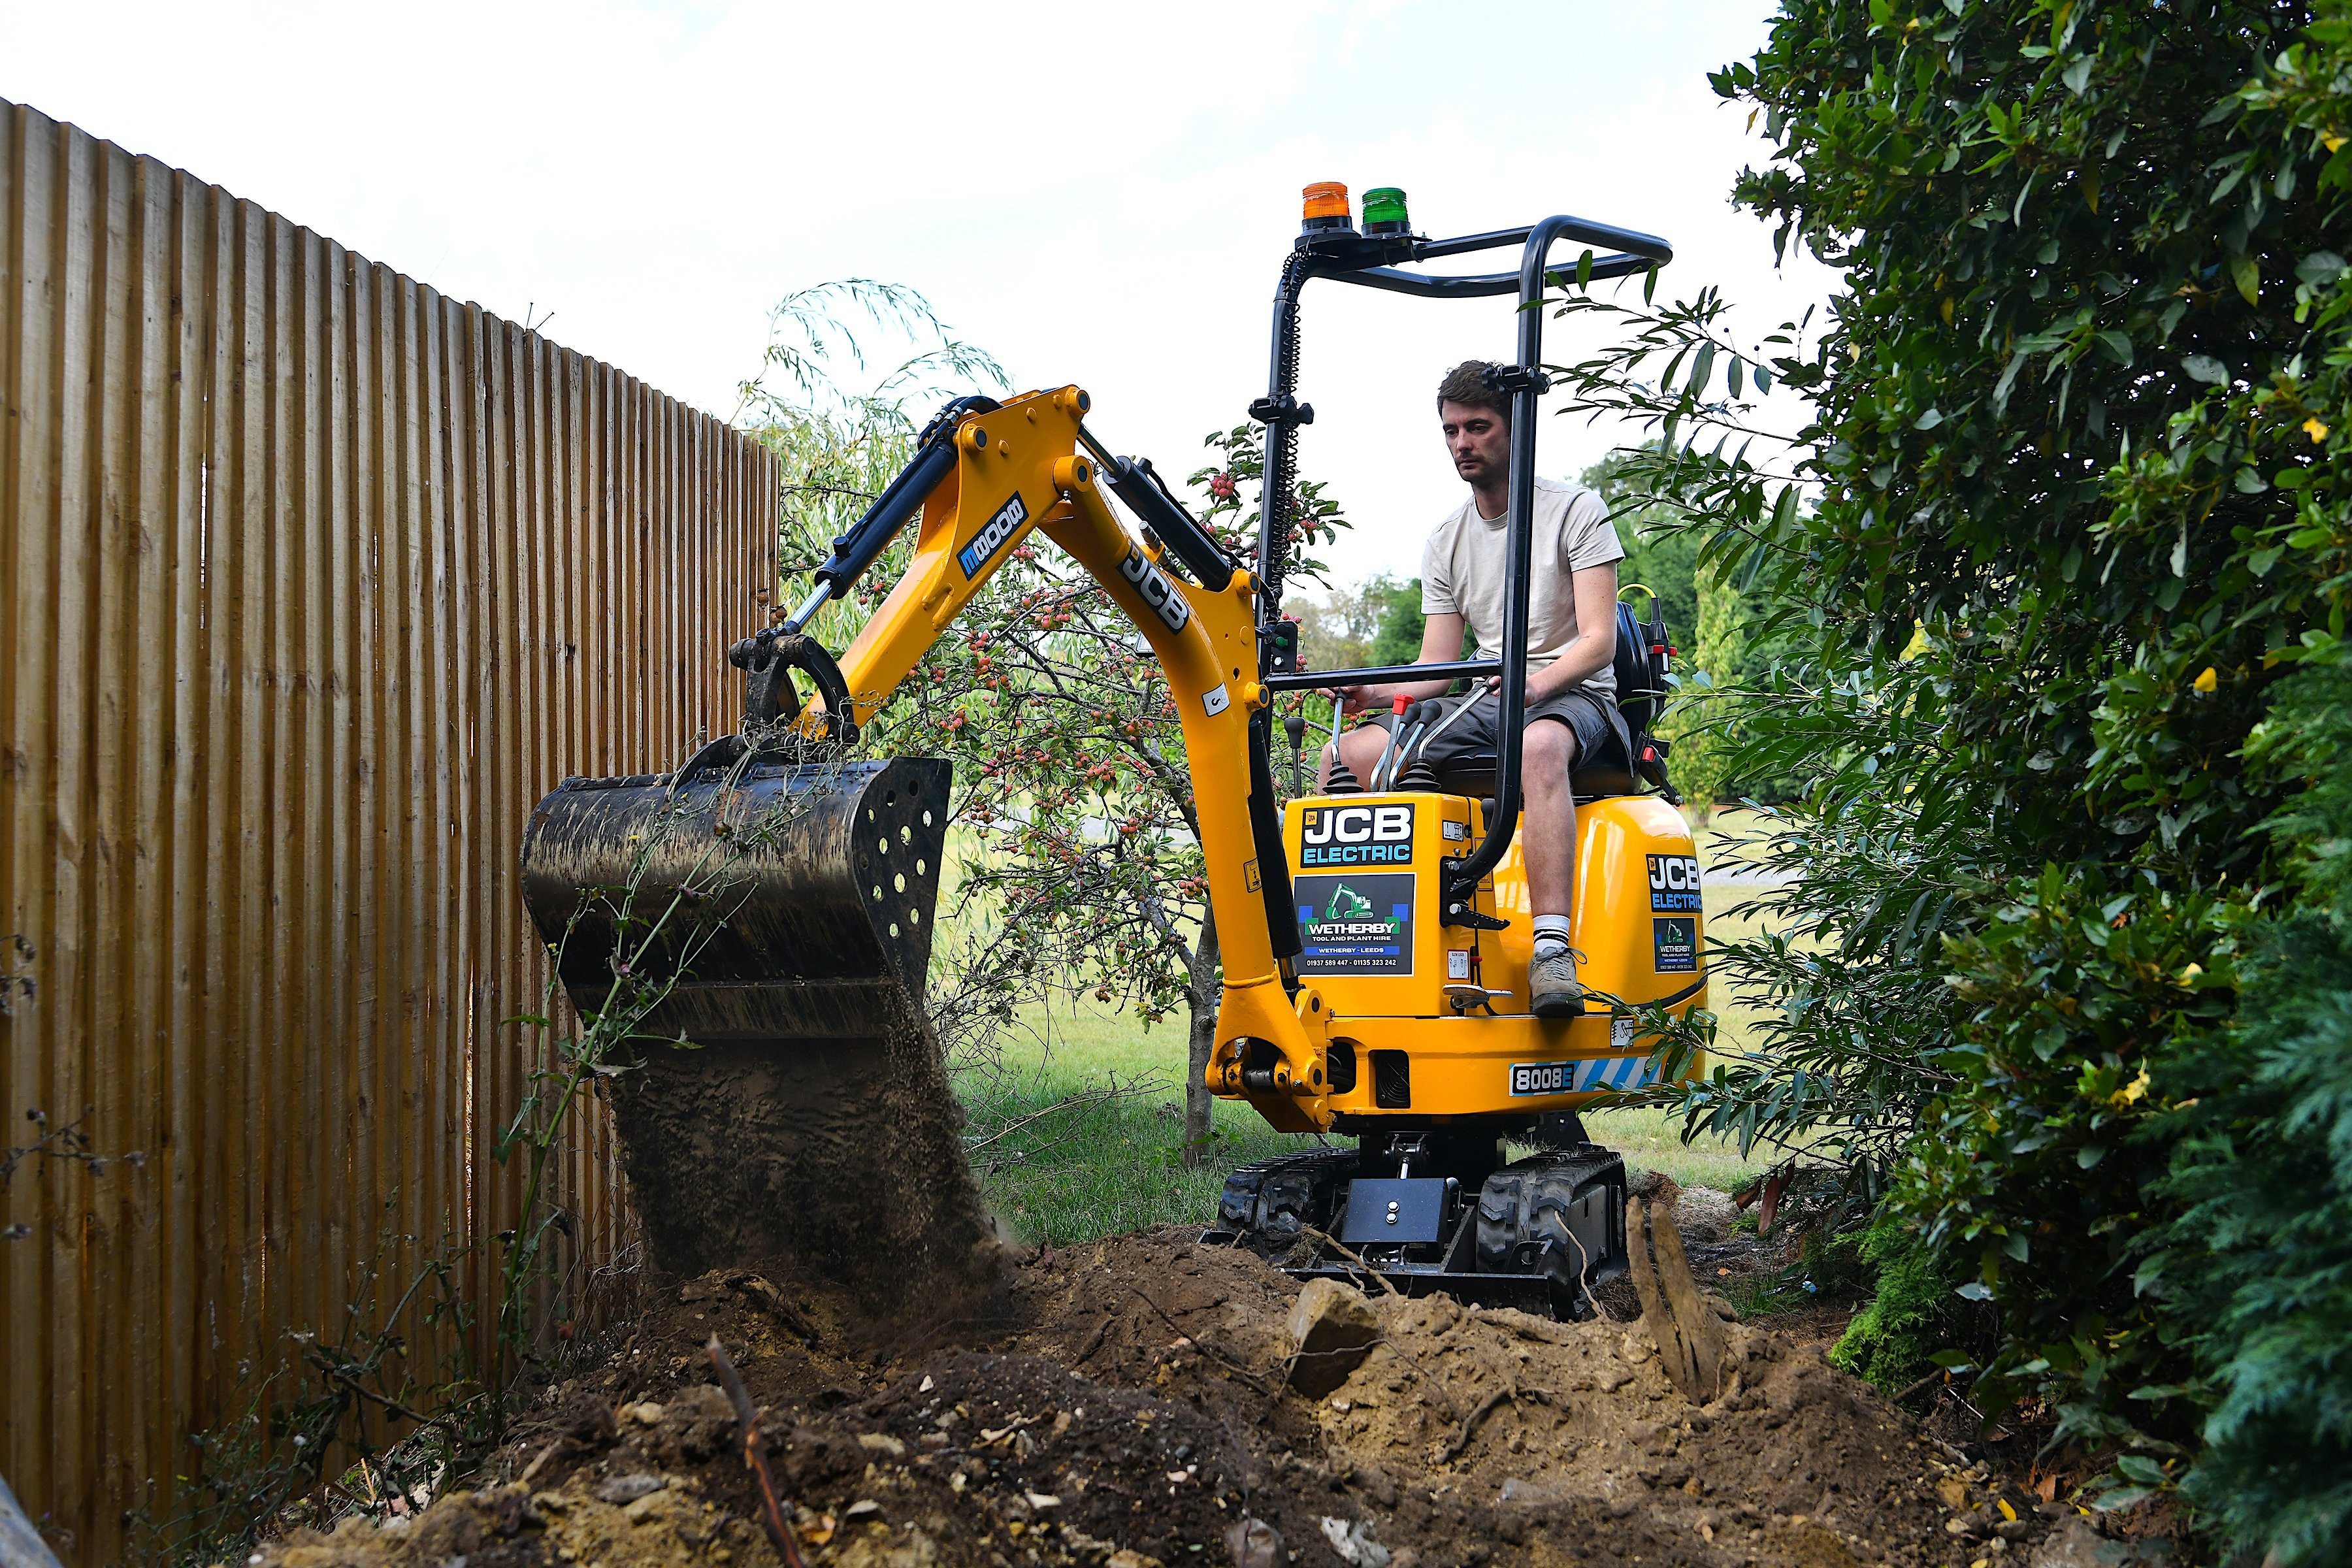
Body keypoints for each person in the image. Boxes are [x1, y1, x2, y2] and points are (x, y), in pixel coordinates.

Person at [1324, 360, 1627, 1015]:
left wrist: (1534, 684)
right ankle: (1354, 944)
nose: (1463, 442)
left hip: (1575, 693)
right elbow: (1438, 666)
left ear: (1514, 429)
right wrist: (1370, 695)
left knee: (1540, 747)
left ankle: (1551, 954)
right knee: (1345, 756)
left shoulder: (1576, 510)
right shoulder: (1446, 539)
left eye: (1478, 427)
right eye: (1451, 430)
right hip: (1489, 695)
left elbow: (1599, 640)